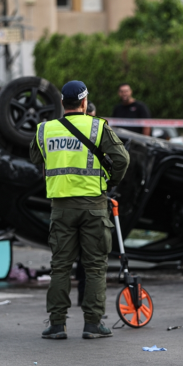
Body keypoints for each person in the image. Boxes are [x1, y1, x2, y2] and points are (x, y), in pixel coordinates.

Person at [30, 80, 130, 340]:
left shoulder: (45, 130)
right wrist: (110, 180)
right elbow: (122, 158)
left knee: (60, 266)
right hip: (93, 206)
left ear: (62, 103)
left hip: (61, 207)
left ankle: (56, 325)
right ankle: (93, 324)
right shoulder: (98, 126)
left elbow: (35, 158)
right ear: (85, 103)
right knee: (95, 266)